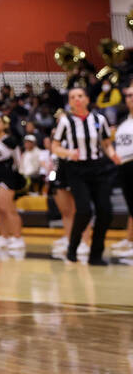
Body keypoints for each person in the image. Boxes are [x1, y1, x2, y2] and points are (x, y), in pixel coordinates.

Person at [51, 87, 117, 265]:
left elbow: (106, 143)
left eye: (80, 96)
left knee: (106, 212)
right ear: (69, 102)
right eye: (72, 97)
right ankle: (73, 247)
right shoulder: (65, 121)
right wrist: (68, 152)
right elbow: (54, 147)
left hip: (98, 168)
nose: (77, 99)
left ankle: (96, 254)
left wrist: (113, 154)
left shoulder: (99, 119)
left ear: (87, 99)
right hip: (76, 170)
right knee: (84, 211)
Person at [0, 116, 26, 256]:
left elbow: (17, 158)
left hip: (7, 172)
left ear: (4, 125)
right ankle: (4, 236)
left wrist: (16, 173)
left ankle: (17, 237)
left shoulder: (9, 139)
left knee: (8, 208)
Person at [111, 78, 133, 259]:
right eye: (128, 95)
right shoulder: (124, 123)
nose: (130, 98)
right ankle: (129, 239)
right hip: (124, 166)